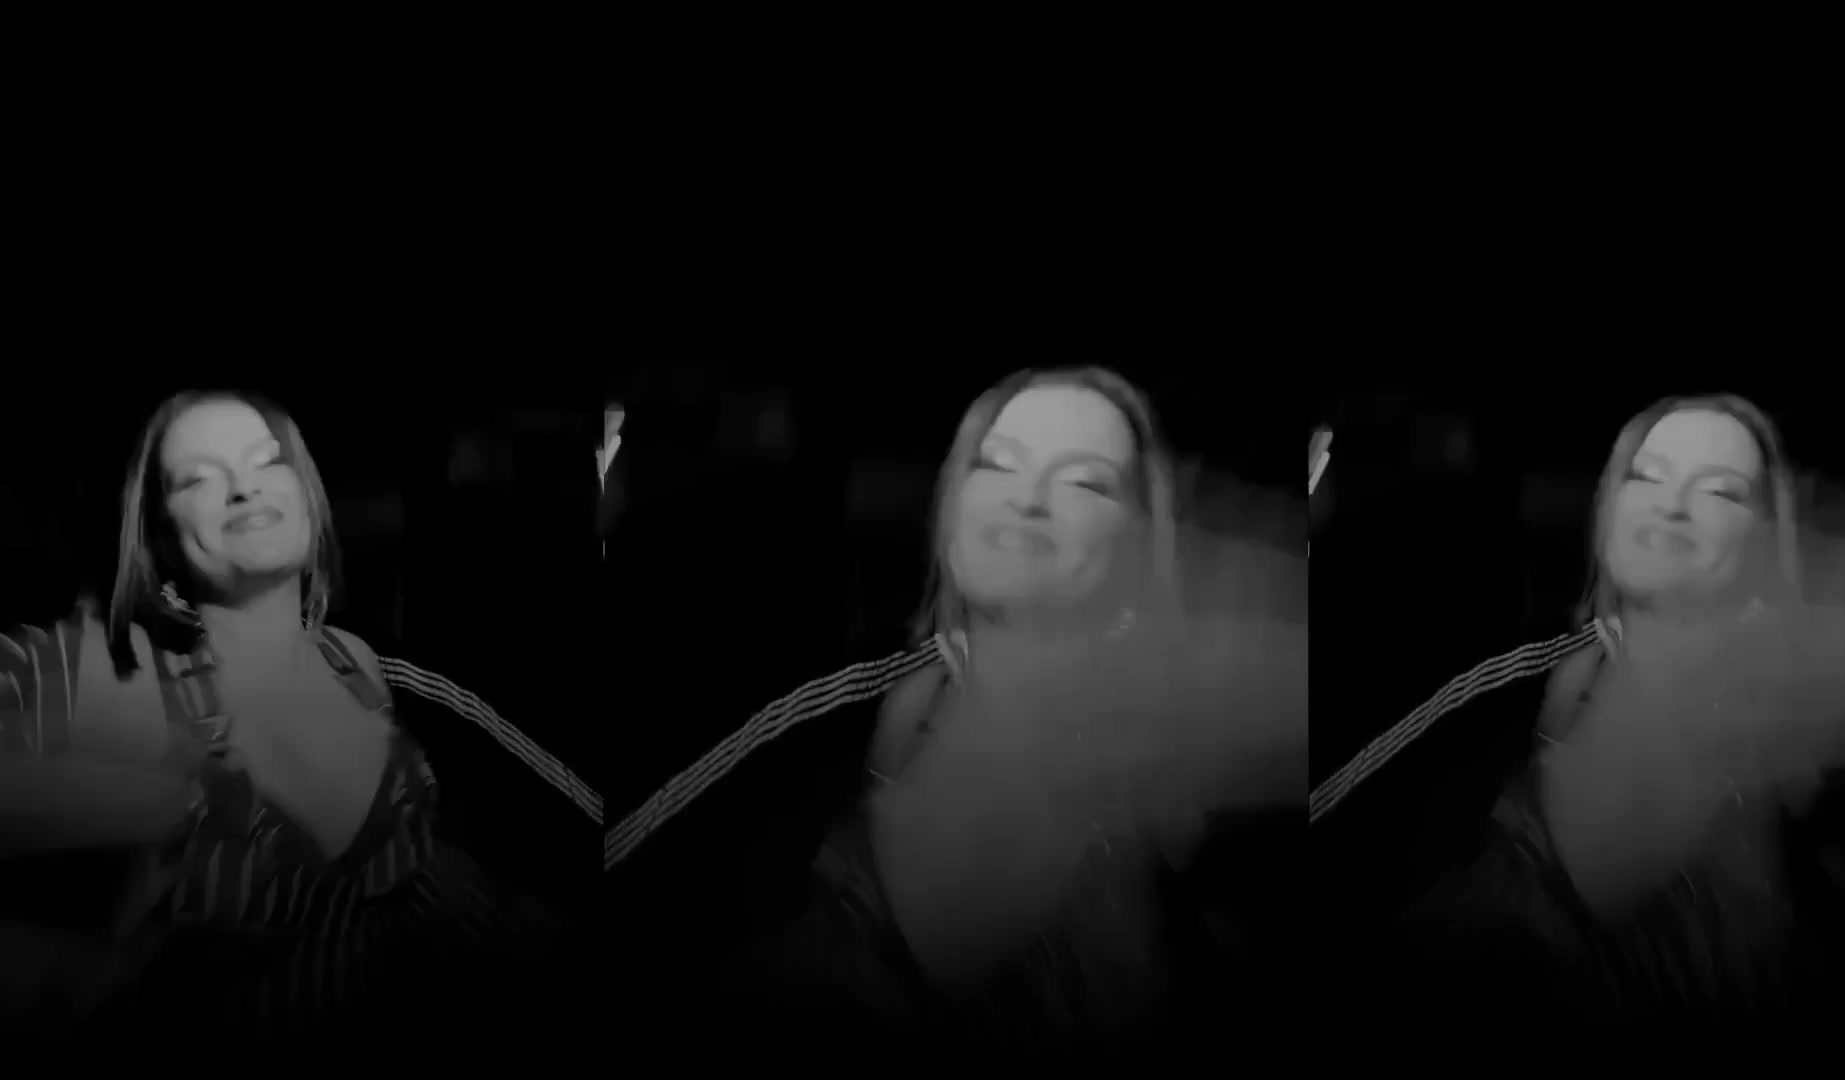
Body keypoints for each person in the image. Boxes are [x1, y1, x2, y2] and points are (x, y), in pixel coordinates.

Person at [613, 365, 1305, 1060]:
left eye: (1084, 482)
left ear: (1137, 540)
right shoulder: (851, 707)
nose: (1026, 499)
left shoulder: (1183, 733)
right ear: (953, 506)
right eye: (997, 464)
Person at [1315, 393, 1845, 1051]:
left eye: (1719, 491)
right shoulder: (1495, 694)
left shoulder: (1812, 780)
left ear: (1766, 543)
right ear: (1610, 508)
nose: (1672, 505)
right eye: (1647, 475)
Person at [0, 389, 585, 1051]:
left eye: (266, 460)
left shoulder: (380, 678)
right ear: (159, 532)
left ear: (309, 496)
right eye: (198, 478)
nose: (243, 487)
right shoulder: (111, 672)